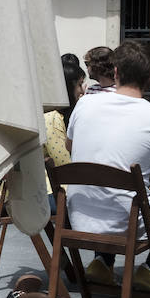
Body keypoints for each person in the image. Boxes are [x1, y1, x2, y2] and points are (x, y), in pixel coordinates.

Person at [66, 41, 150, 294]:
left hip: (79, 217)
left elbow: (70, 147)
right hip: (127, 226)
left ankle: (102, 263)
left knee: (111, 193)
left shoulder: (84, 105)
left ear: (115, 72)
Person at [44, 56, 86, 210]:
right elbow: (65, 166)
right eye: (79, 85)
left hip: (56, 190)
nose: (82, 91)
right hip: (48, 193)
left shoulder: (61, 115)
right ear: (68, 88)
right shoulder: (52, 118)